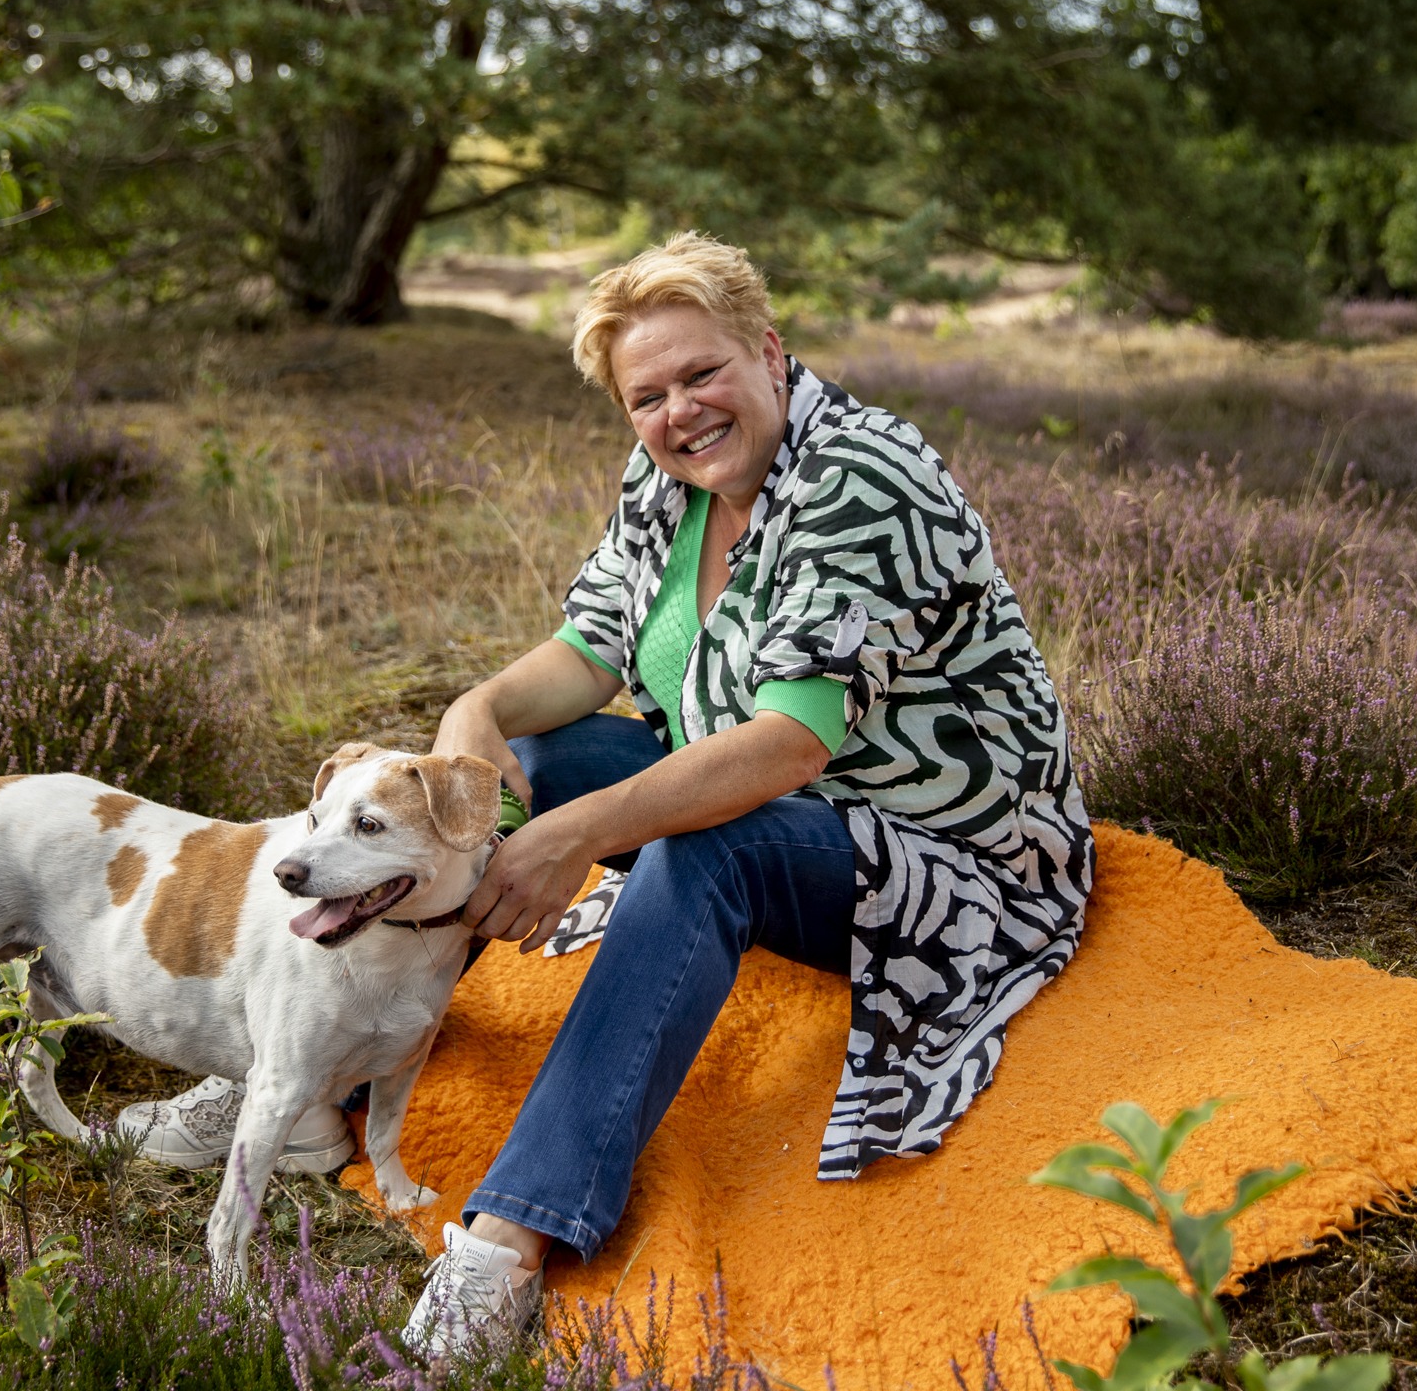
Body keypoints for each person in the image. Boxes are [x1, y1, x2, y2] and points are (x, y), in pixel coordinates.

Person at [123, 233, 1095, 1356]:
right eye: (648, 396)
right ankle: (304, 1085)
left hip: (943, 863)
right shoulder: (669, 476)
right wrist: (477, 720)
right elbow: (590, 654)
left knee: (700, 850)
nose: (681, 412)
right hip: (777, 799)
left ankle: (509, 1238)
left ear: (769, 352)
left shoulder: (861, 480)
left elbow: (788, 747)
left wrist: (575, 837)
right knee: (523, 772)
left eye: (703, 373)